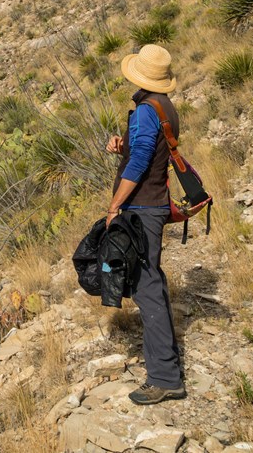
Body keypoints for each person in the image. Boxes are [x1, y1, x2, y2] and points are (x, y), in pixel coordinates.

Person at [105, 43, 186, 405]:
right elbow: (148, 151)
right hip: (155, 205)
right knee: (152, 280)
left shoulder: (143, 112)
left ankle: (165, 378)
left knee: (146, 287)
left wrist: (114, 205)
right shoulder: (164, 107)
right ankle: (166, 367)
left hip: (141, 208)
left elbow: (139, 163)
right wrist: (122, 146)